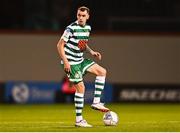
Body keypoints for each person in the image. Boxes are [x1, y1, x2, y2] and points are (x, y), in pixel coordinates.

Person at [57, 6, 109, 127]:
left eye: (83, 15)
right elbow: (59, 45)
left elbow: (82, 44)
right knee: (81, 88)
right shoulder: (71, 28)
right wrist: (66, 62)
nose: (80, 18)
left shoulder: (87, 28)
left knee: (102, 71)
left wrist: (91, 52)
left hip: (80, 60)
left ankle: (96, 102)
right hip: (71, 62)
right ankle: (79, 120)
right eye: (79, 15)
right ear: (77, 15)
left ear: (88, 17)